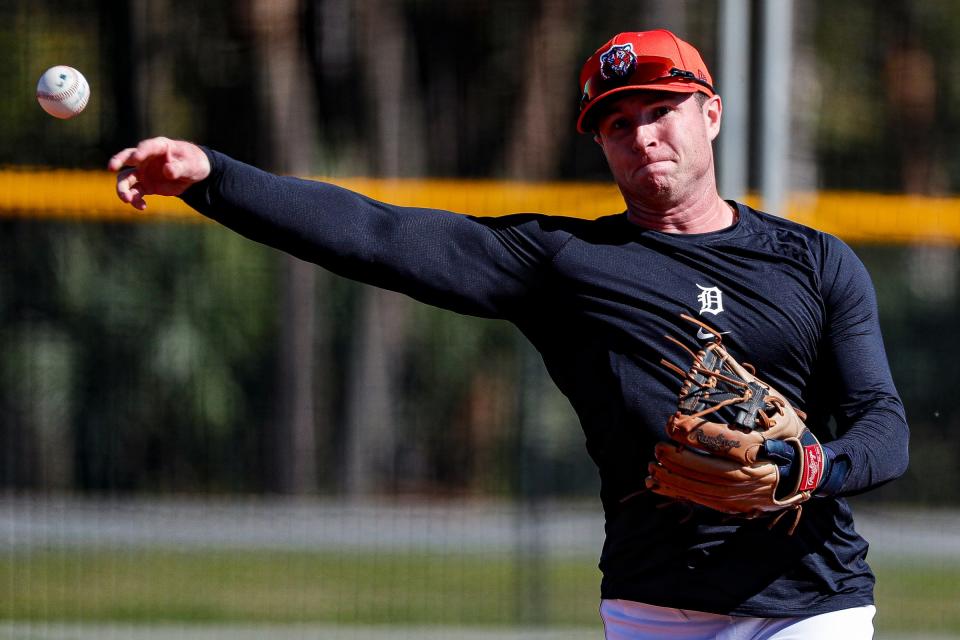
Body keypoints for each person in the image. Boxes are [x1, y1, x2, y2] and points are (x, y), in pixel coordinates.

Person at [109, 29, 908, 640]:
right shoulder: (569, 263)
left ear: (711, 113)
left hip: (810, 599)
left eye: (661, 110)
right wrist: (213, 176)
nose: (643, 135)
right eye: (617, 123)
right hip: (655, 600)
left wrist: (814, 464)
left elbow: (884, 425)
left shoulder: (811, 261)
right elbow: (379, 235)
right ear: (600, 143)